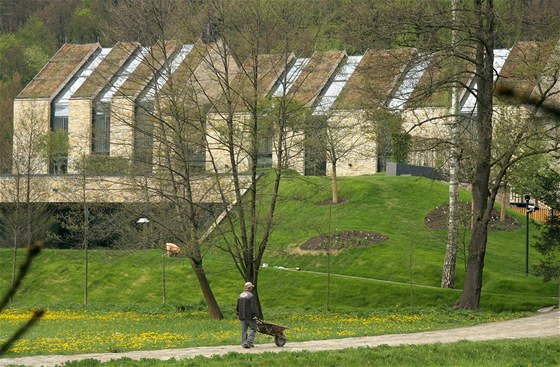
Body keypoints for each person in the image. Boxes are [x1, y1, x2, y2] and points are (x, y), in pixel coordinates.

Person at [236, 281, 258, 348]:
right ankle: (249, 341)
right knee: (253, 328)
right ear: (250, 288)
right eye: (251, 287)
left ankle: (244, 343)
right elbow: (253, 307)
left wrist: (238, 314)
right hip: (250, 316)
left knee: (244, 330)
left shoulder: (240, 295)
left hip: (242, 316)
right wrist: (255, 315)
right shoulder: (251, 296)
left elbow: (237, 307)